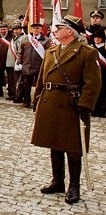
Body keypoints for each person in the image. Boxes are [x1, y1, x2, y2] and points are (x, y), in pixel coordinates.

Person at [31, 15, 100, 205]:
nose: (55, 30)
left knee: (73, 147)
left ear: (70, 31)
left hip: (72, 105)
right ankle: (57, 181)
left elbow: (93, 83)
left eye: (59, 27)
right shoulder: (51, 51)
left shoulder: (86, 53)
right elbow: (42, 79)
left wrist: (85, 105)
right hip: (51, 102)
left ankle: (74, 186)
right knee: (54, 143)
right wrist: (36, 99)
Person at [17, 22, 50, 108]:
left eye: (37, 28)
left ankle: (37, 102)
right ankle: (26, 101)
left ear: (41, 29)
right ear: (31, 29)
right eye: (34, 28)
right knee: (26, 86)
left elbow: (48, 53)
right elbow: (20, 51)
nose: (35, 29)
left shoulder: (46, 40)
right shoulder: (25, 39)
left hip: (40, 66)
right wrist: (19, 62)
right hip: (27, 65)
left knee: (39, 86)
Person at [89, 28, 106, 117]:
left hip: (103, 74)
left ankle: (100, 110)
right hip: (92, 73)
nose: (97, 39)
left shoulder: (105, 48)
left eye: (99, 37)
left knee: (102, 93)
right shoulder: (90, 48)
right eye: (95, 37)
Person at [6, 22, 25, 101]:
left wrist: (19, 61)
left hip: (17, 63)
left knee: (17, 81)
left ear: (21, 30)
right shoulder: (14, 38)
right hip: (10, 63)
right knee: (11, 80)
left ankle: (18, 96)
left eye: (17, 29)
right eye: (14, 30)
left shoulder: (23, 38)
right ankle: (12, 94)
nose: (16, 31)